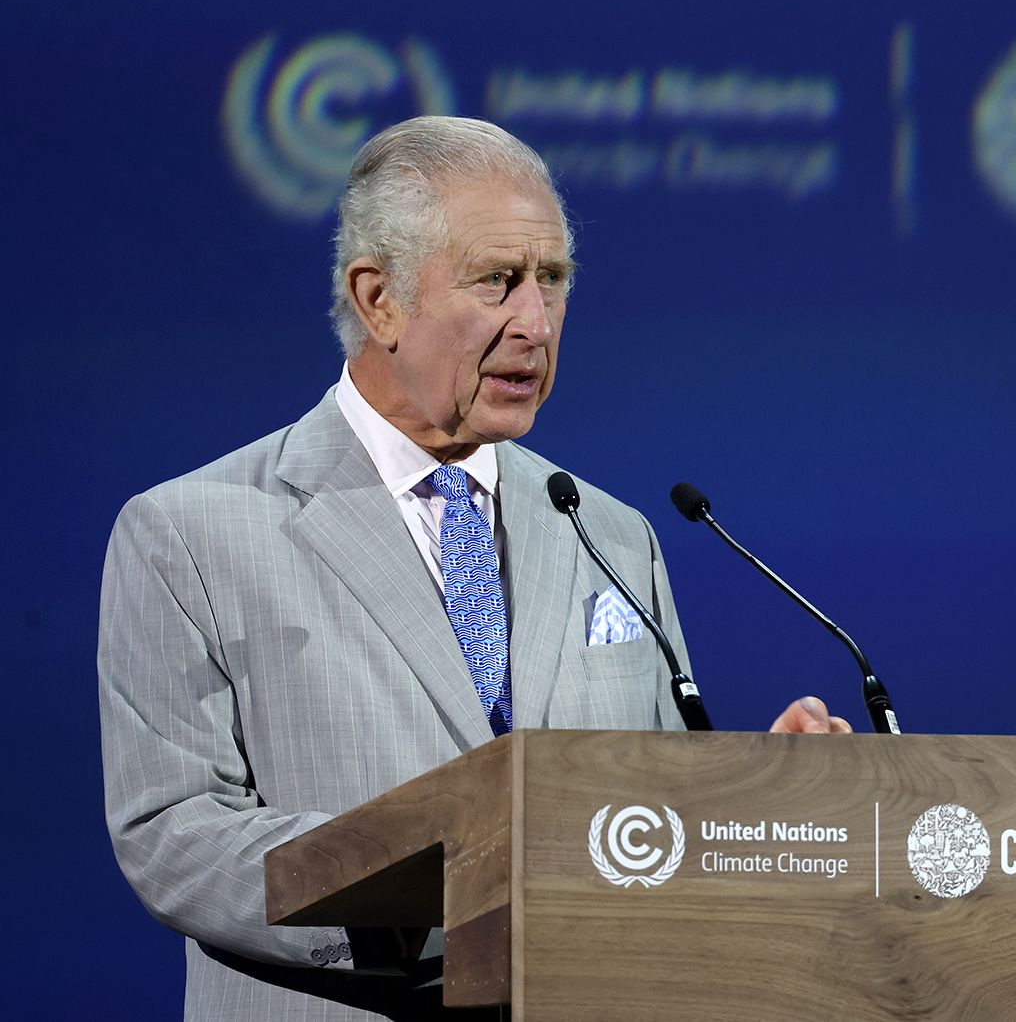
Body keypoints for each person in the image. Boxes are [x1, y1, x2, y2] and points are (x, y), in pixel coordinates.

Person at [98, 116, 848, 1020]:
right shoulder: (192, 534)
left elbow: (653, 809)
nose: (535, 323)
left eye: (554, 280)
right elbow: (174, 833)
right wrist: (440, 877)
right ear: (380, 301)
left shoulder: (608, 531)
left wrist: (756, 801)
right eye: (497, 281)